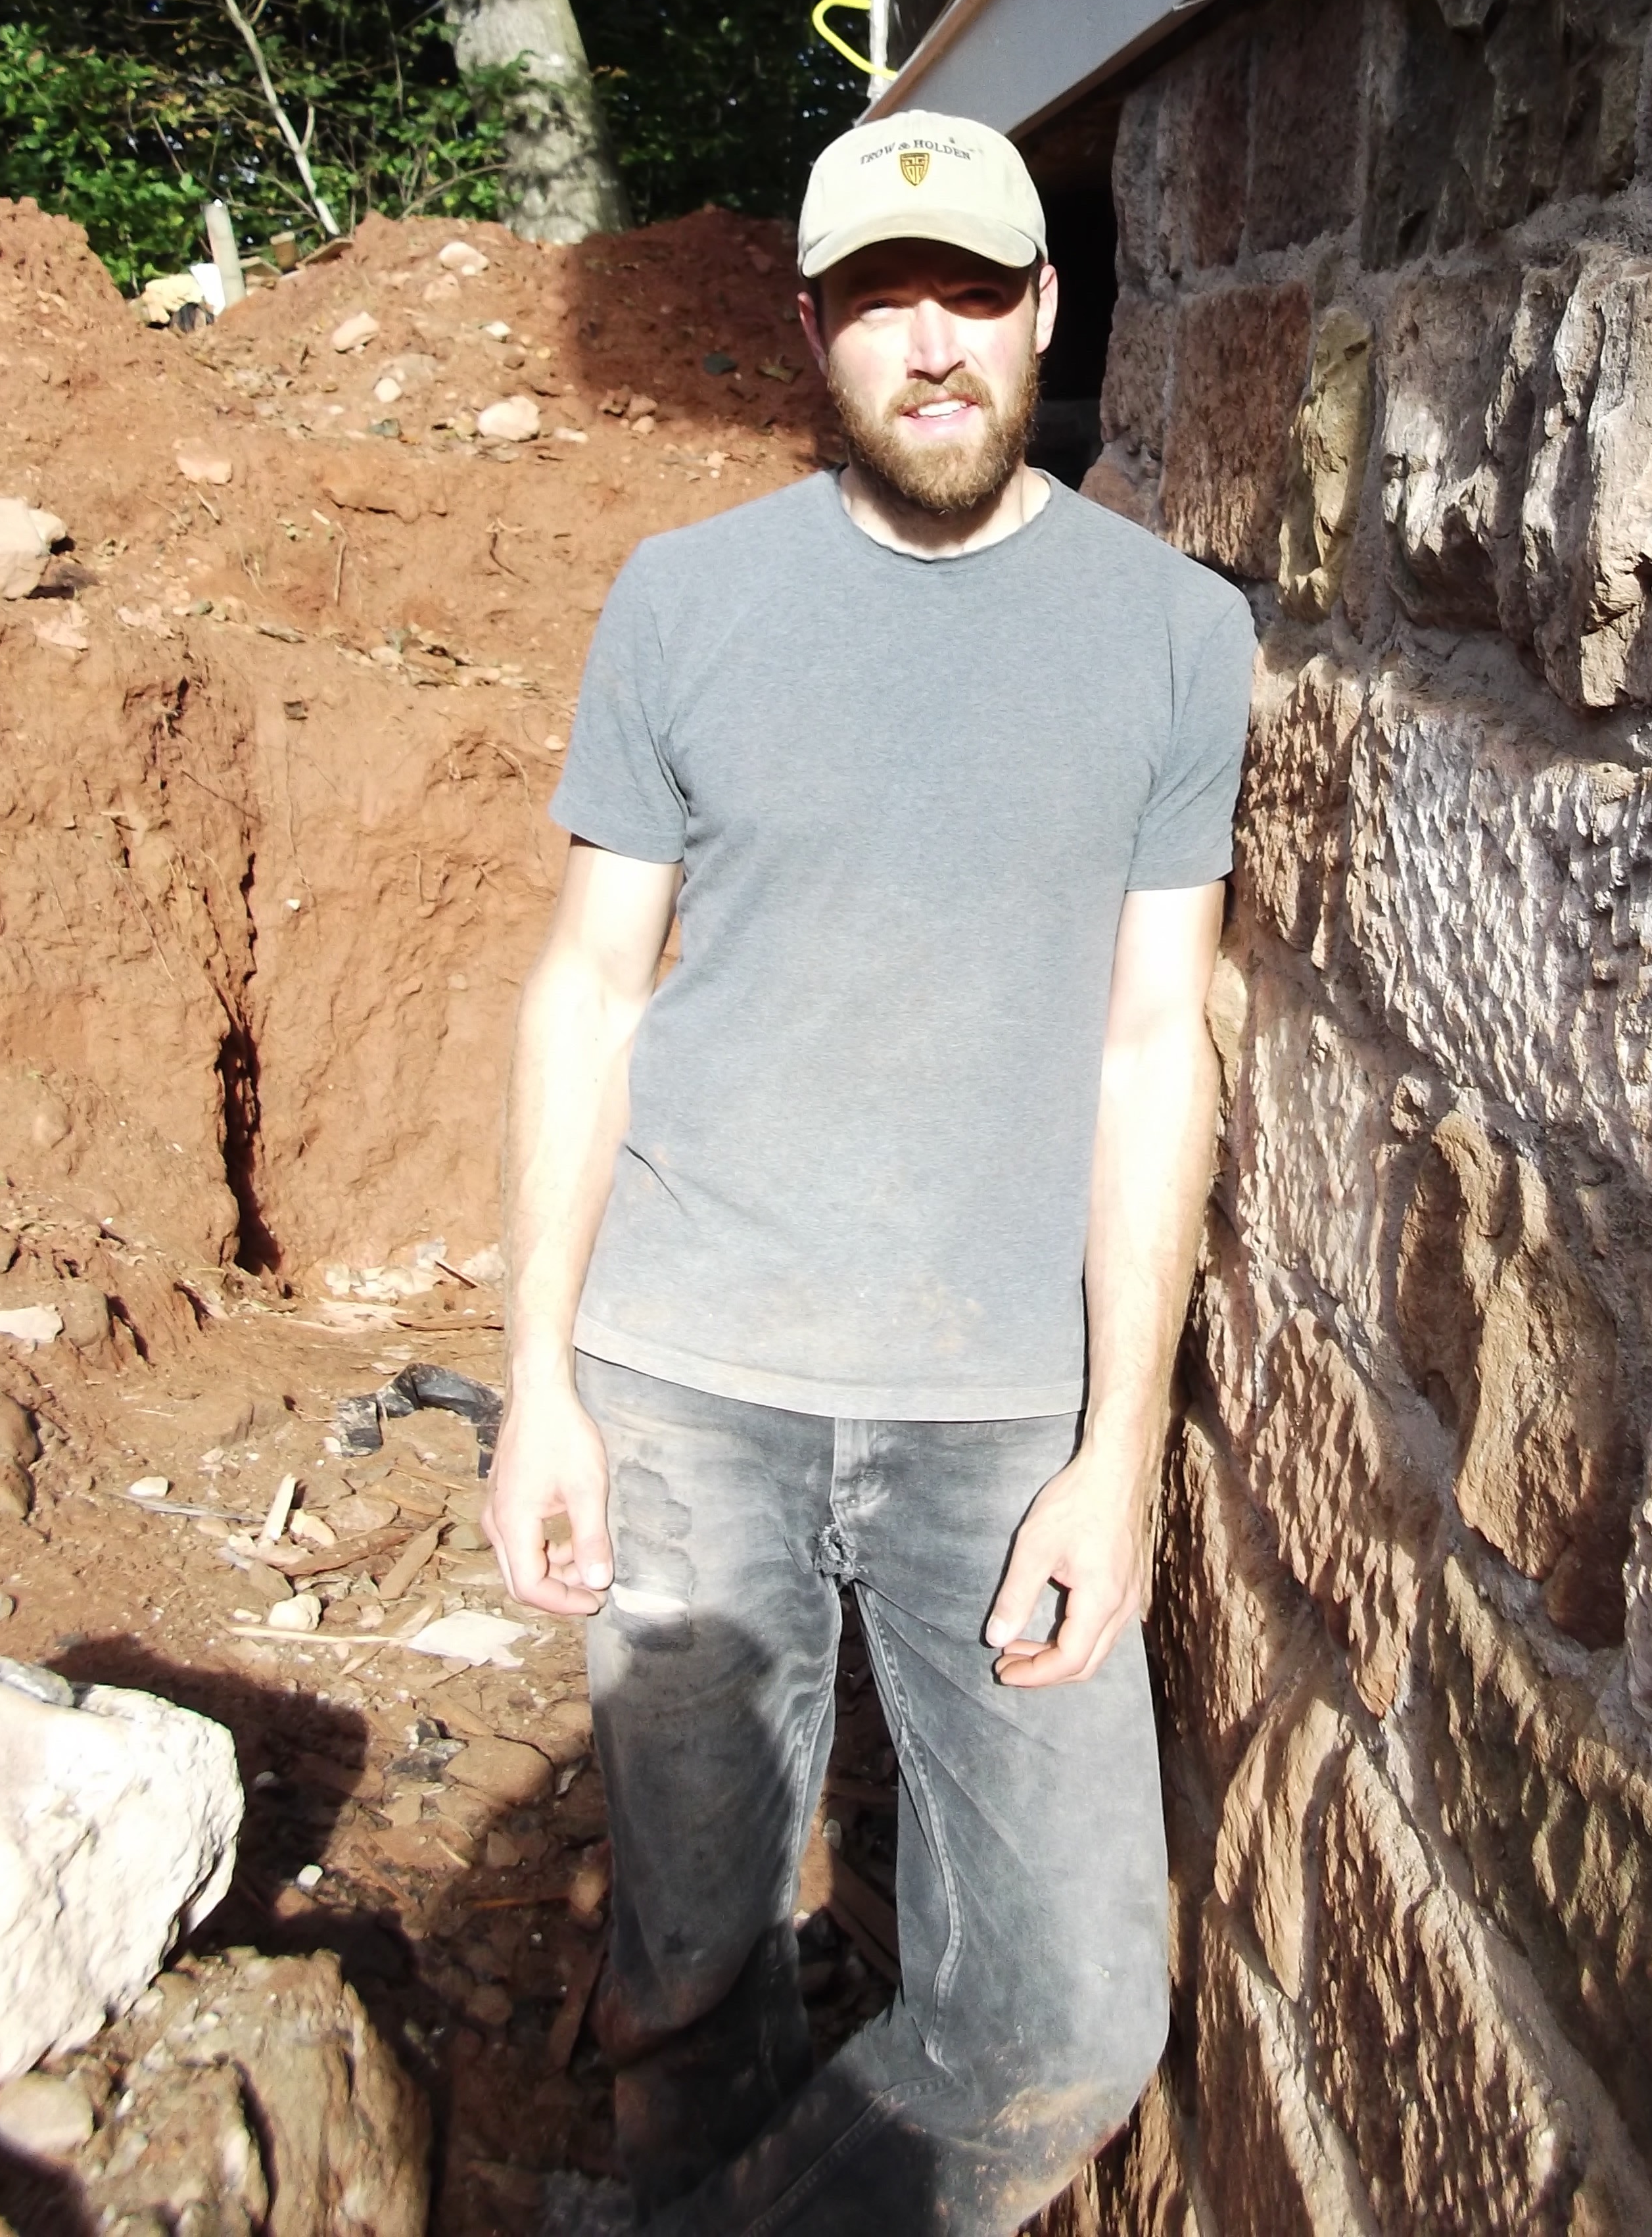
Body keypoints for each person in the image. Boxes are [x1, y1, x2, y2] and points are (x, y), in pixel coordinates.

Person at [484, 107, 1256, 2234]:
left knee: (1067, 2015)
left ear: (1046, 306)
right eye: (881, 301)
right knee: (692, 1981)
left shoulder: (1175, 635)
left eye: (974, 294)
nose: (933, 346)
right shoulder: (684, 603)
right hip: (686, 1383)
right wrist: (539, 1381)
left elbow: (1152, 1049)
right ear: (812, 325)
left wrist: (1121, 1452)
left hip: (998, 1420)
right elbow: (589, 991)